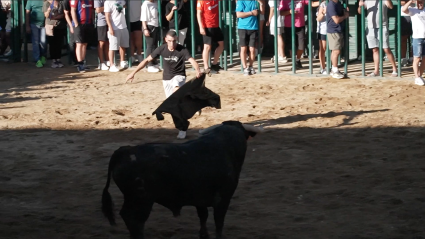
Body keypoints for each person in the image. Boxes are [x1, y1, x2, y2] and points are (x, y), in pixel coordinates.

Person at [126, 30, 202, 139]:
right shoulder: (161, 48)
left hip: (179, 76)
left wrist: (197, 70)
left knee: (176, 91)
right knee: (173, 106)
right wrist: (133, 72)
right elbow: (147, 60)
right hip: (166, 79)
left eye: (174, 41)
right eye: (170, 41)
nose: (172, 44)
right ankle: (183, 124)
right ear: (166, 40)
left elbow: (192, 60)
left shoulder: (182, 49)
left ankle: (189, 108)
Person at [358, 0, 398, 77]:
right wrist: (360, 6)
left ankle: (394, 69)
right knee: (375, 49)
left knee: (386, 49)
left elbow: (391, 6)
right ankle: (376, 71)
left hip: (382, 27)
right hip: (371, 28)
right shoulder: (367, 1)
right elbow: (360, 12)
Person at [279, 0, 320, 70]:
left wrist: (323, 1)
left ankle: (297, 59)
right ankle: (295, 62)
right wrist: (290, 12)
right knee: (291, 46)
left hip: (300, 25)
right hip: (289, 26)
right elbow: (281, 12)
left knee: (301, 46)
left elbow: (312, 4)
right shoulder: (284, 1)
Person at [196, 0, 224, 74]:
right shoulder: (201, 1)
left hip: (216, 25)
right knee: (207, 47)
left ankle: (214, 64)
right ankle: (206, 67)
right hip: (207, 26)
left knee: (221, 44)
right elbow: (198, 13)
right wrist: (201, 27)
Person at [402, 0, 425, 86]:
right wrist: (411, 1)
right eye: (418, 2)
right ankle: (416, 77)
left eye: (421, 2)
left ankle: (420, 76)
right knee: (417, 58)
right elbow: (404, 10)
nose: (420, 4)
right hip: (417, 38)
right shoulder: (413, 10)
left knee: (424, 59)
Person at [236, 0, 260, 76]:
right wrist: (251, 13)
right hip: (243, 28)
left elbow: (261, 11)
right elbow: (238, 14)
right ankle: (245, 67)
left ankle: (251, 66)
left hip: (253, 28)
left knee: (252, 49)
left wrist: (261, 4)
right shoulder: (241, 1)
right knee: (243, 48)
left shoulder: (255, 1)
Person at [70, 0, 95, 73]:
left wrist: (92, 21)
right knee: (79, 44)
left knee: (85, 44)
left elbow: (92, 11)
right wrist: (76, 23)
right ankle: (80, 64)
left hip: (88, 24)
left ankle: (83, 63)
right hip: (79, 24)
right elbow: (72, 11)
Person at [326, 0, 349, 79]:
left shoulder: (338, 3)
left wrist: (345, 11)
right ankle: (334, 70)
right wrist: (345, 16)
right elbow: (336, 20)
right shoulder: (331, 4)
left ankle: (334, 69)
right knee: (336, 51)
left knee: (335, 51)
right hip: (334, 30)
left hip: (337, 30)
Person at [104, 0, 129, 72]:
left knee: (123, 45)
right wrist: (110, 28)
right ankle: (112, 65)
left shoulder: (122, 1)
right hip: (114, 27)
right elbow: (107, 16)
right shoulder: (108, 2)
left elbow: (125, 6)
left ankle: (122, 61)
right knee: (112, 47)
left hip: (123, 26)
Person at [43, 0, 66, 68]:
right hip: (50, 26)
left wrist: (54, 17)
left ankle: (58, 59)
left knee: (59, 43)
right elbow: (46, 15)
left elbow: (63, 14)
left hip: (60, 26)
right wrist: (49, 10)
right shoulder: (46, 3)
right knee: (52, 43)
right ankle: (54, 60)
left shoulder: (60, 3)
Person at [141, 0, 160, 73]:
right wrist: (145, 28)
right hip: (149, 26)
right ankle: (150, 64)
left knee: (154, 45)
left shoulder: (155, 2)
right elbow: (143, 18)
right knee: (150, 46)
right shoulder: (146, 4)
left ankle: (154, 62)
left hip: (155, 25)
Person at [26, 0, 46, 68]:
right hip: (34, 24)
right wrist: (27, 25)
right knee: (36, 42)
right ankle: (37, 59)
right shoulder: (30, 1)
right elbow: (27, 12)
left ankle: (42, 56)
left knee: (43, 42)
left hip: (44, 24)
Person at [94, 0, 110, 70]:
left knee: (107, 43)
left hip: (110, 22)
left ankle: (107, 61)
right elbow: (98, 10)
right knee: (101, 43)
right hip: (101, 23)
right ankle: (101, 63)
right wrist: (108, 6)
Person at [63, 0, 78, 66]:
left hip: (80, 22)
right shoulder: (65, 1)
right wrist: (71, 26)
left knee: (80, 42)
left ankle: (79, 59)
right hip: (71, 24)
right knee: (72, 42)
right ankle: (74, 60)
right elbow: (66, 14)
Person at [401, 1, 414, 66]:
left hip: (415, 15)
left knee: (415, 38)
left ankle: (412, 58)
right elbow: (401, 2)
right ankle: (403, 59)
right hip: (404, 16)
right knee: (403, 38)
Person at [316, 0, 327, 74]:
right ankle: (323, 68)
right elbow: (318, 18)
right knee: (323, 48)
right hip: (323, 30)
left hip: (331, 29)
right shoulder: (323, 4)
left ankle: (333, 67)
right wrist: (323, 12)